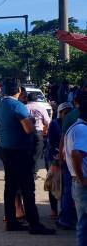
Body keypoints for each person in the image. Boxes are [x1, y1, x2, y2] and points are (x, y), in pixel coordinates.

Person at [0, 78, 55, 235]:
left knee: (10, 187)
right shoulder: (17, 106)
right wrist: (32, 120)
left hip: (5, 149)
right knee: (28, 188)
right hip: (19, 151)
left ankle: (11, 221)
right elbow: (29, 129)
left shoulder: (0, 105)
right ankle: (34, 224)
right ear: (19, 91)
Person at [64, 99, 87, 246]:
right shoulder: (83, 129)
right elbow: (77, 153)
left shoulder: (74, 127)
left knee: (83, 225)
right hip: (83, 183)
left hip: (77, 182)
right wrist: (82, 178)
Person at [46, 102, 74, 224]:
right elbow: (51, 142)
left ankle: (67, 211)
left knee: (67, 187)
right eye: (65, 113)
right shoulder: (54, 124)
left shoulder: (72, 124)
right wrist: (57, 157)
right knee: (54, 184)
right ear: (60, 113)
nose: (67, 115)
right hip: (54, 157)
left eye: (69, 112)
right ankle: (54, 210)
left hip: (68, 159)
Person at [26, 92, 51, 176]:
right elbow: (47, 122)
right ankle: (33, 172)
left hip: (25, 133)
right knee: (36, 153)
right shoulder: (41, 108)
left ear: (27, 99)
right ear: (37, 99)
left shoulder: (24, 107)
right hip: (38, 133)